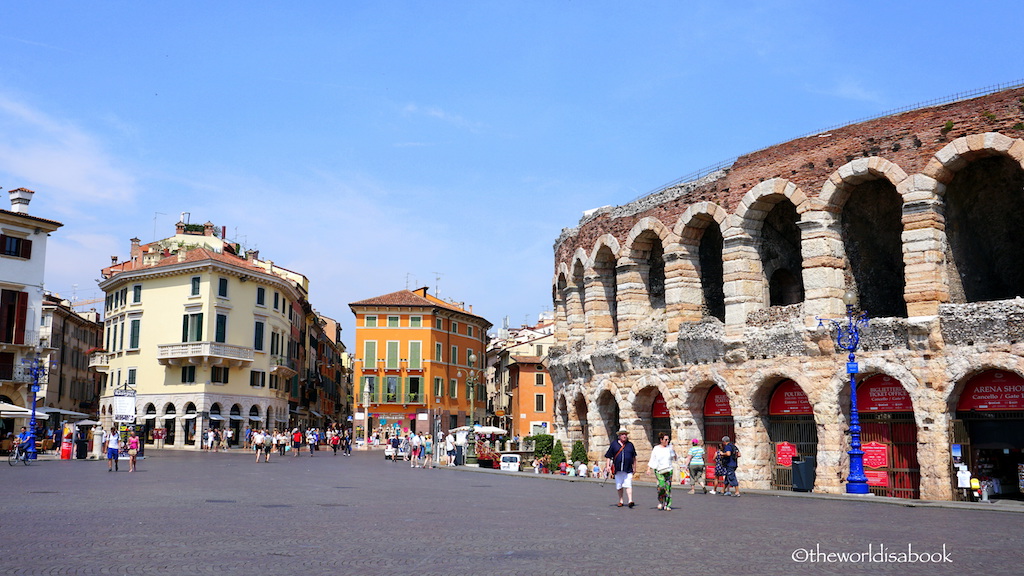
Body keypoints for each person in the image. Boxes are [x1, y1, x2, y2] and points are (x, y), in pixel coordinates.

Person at [604, 428, 637, 508]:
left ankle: (630, 500)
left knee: (628, 484)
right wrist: (608, 466)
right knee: (619, 485)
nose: (624, 436)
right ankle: (621, 500)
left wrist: (635, 467)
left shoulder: (630, 445)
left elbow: (634, 457)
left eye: (625, 434)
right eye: (622, 434)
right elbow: (608, 456)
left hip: (628, 468)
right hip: (618, 469)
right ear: (619, 436)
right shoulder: (614, 444)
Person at [646, 432, 677, 510]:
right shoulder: (656, 448)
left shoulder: (669, 448)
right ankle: (661, 501)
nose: (667, 441)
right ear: (661, 440)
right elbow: (652, 458)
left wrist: (674, 451)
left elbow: (675, 458)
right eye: (666, 439)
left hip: (668, 469)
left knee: (668, 487)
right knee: (661, 486)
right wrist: (648, 469)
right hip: (659, 470)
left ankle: (667, 504)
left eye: (668, 439)